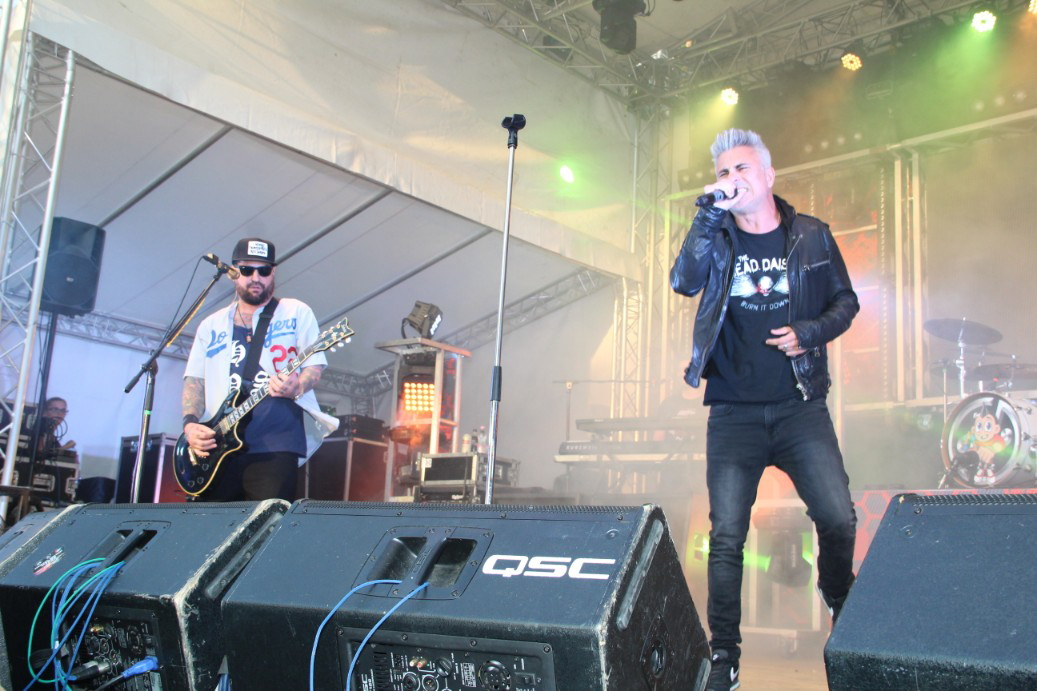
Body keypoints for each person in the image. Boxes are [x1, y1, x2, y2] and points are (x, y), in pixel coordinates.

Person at [670, 129, 859, 690]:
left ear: (769, 176)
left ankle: (837, 592)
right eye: (723, 172)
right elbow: (683, 282)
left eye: (742, 168)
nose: (732, 179)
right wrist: (707, 216)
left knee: (839, 517)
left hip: (799, 405)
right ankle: (724, 655)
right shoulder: (716, 235)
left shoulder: (811, 236)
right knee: (727, 537)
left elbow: (846, 302)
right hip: (734, 412)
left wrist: (809, 332)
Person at [181, 237, 337, 501]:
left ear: (273, 272)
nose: (256, 278)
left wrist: (297, 386)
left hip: (276, 445)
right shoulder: (211, 325)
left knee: (266, 523)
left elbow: (314, 367)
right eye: (247, 270)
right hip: (218, 446)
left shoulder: (295, 312)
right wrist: (190, 425)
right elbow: (195, 380)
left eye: (264, 270)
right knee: (209, 522)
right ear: (233, 272)